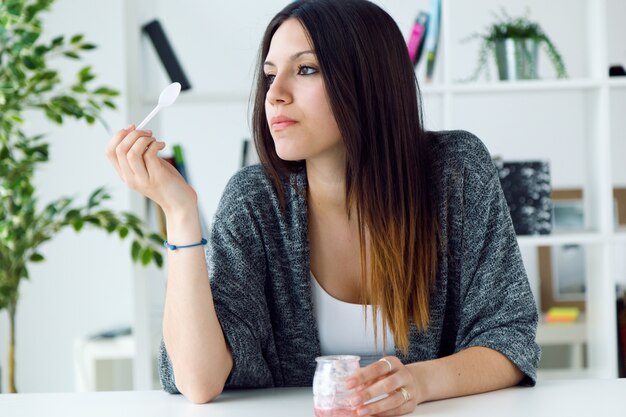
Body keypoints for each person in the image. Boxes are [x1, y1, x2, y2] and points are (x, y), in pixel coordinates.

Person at [106, 0, 540, 415]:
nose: (274, 94)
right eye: (270, 74)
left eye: (306, 69)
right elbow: (199, 382)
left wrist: (419, 383)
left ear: (368, 82)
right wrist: (180, 214)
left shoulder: (455, 172)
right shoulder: (254, 203)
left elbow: (510, 339)